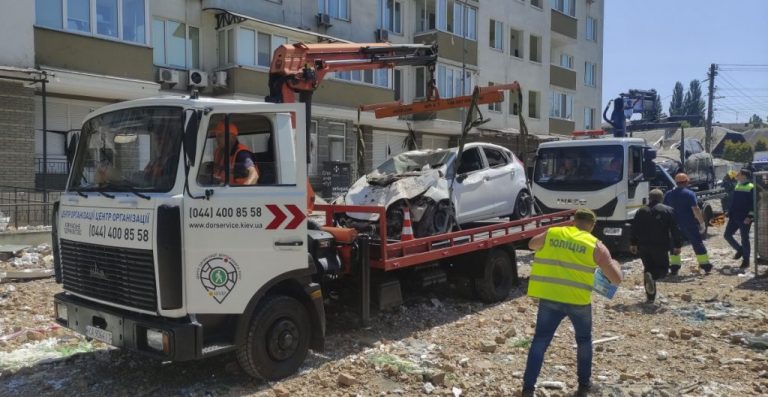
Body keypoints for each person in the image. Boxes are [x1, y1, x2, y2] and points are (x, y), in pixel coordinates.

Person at [522, 209, 623, 397]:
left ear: (573, 221)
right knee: (584, 340)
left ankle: (528, 388)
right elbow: (616, 279)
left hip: (550, 297)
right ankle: (584, 384)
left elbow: (531, 244)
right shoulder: (595, 245)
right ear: (593, 226)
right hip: (578, 301)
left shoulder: (554, 233)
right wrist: (614, 264)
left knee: (540, 341)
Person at [630, 189, 683, 302]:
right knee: (662, 270)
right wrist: (677, 245)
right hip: (660, 245)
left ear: (649, 198)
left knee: (647, 269)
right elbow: (675, 229)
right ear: (661, 198)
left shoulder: (641, 211)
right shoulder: (668, 210)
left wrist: (633, 243)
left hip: (643, 246)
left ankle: (650, 298)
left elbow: (634, 228)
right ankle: (652, 277)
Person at [663, 173, 712, 274]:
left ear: (676, 182)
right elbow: (696, 209)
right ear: (686, 182)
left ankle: (675, 267)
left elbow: (665, 210)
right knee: (697, 243)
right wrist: (702, 223)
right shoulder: (689, 193)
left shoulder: (668, 194)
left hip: (674, 225)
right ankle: (705, 265)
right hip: (688, 223)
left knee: (674, 245)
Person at [724, 169, 754, 269]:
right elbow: (734, 201)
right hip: (734, 216)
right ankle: (740, 250)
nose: (737, 175)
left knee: (744, 239)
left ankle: (746, 261)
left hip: (744, 218)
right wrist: (729, 211)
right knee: (727, 235)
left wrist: (750, 217)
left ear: (744, 176)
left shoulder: (751, 187)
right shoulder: (738, 185)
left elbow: (753, 204)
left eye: (739, 174)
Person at [211, 121, 259, 185]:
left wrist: (242, 191)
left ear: (232, 137)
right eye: (216, 136)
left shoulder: (242, 154)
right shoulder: (218, 152)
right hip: (221, 189)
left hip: (238, 192)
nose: (216, 139)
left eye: (220, 135)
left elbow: (254, 175)